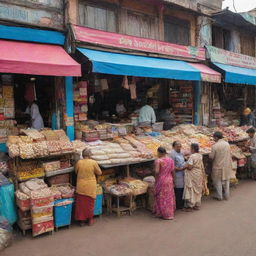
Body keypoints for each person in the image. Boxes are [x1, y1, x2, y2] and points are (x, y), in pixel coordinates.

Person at [74, 149, 102, 226]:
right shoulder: (93, 162)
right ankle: (90, 220)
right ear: (89, 155)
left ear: (83, 155)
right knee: (90, 204)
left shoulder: (79, 162)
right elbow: (99, 172)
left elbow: (76, 171)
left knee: (81, 204)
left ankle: (82, 221)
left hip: (81, 186)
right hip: (90, 186)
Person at [209, 132, 232, 201]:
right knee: (226, 181)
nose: (213, 139)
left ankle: (220, 196)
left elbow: (211, 157)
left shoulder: (215, 146)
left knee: (217, 181)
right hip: (226, 165)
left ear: (216, 137)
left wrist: (209, 156)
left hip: (218, 166)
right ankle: (227, 195)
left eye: (214, 138)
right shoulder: (227, 144)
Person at [154, 147, 176, 220]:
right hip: (169, 180)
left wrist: (155, 178)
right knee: (169, 197)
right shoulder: (170, 160)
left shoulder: (159, 161)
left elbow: (157, 172)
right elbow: (173, 171)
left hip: (162, 180)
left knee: (161, 197)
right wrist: (174, 180)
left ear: (159, 153)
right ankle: (169, 214)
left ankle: (161, 213)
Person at [183, 143, 205, 211]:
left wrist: (185, 165)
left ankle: (190, 205)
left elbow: (190, 167)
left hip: (192, 174)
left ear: (192, 149)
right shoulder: (200, 155)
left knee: (191, 189)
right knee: (198, 189)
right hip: (198, 174)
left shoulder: (192, 156)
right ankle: (197, 205)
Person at [170, 141, 186, 210]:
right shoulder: (172, 154)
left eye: (180, 145)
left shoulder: (181, 152)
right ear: (173, 147)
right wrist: (180, 169)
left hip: (182, 172)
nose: (179, 147)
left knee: (182, 189)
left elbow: (183, 161)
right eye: (177, 145)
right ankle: (178, 205)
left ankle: (182, 204)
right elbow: (172, 166)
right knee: (178, 189)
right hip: (177, 174)